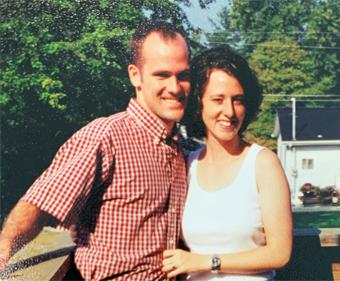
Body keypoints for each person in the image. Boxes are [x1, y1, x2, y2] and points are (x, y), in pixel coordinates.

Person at [0, 19, 191, 280]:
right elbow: (39, 209)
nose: (175, 87)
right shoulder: (106, 136)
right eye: (162, 75)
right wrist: (7, 269)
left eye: (183, 75)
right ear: (135, 75)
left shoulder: (184, 152)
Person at [161, 46, 293, 280]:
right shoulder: (187, 165)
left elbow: (279, 253)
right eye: (218, 99)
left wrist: (206, 262)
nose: (229, 112)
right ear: (199, 103)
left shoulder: (263, 163)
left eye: (238, 100)